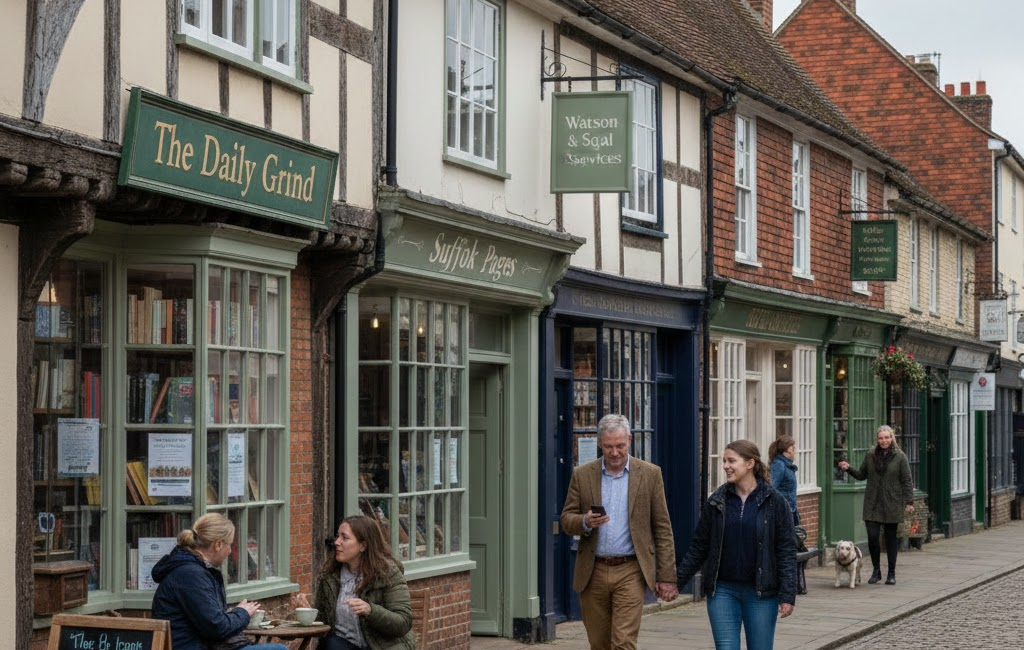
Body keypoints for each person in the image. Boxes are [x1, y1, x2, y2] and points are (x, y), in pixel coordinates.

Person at [559, 414, 677, 650]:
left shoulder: (650, 474)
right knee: (599, 643)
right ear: (600, 443)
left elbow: (662, 527)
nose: (614, 453)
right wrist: (584, 521)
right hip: (593, 571)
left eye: (620, 446)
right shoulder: (583, 475)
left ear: (630, 441)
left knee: (623, 642)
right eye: (609, 446)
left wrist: (667, 576)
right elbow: (566, 520)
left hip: (631, 569)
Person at [676, 440, 796, 650]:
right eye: (724, 461)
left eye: (732, 461)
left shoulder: (775, 502)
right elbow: (699, 546)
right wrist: (676, 582)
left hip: (761, 593)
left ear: (750, 464)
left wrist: (787, 594)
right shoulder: (717, 501)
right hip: (722, 591)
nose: (725, 466)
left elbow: (786, 551)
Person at [152, 513, 287, 650]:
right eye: (229, 544)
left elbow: (208, 620)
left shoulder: (193, 571)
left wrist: (229, 615)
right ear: (218, 545)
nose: (229, 551)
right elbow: (216, 628)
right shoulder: (190, 574)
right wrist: (242, 612)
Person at [292, 515, 416, 650]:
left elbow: (403, 622)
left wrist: (371, 611)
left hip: (381, 646)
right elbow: (324, 624)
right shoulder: (330, 576)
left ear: (363, 546)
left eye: (344, 538)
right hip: (342, 646)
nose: (337, 542)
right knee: (331, 643)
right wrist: (308, 613)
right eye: (337, 536)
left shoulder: (387, 574)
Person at [837, 424, 914, 585]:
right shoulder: (871, 455)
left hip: (892, 501)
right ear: (877, 439)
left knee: (890, 538)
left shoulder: (900, 456)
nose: (884, 441)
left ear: (892, 438)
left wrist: (909, 501)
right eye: (881, 438)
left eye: (887, 437)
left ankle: (891, 573)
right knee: (873, 538)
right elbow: (861, 475)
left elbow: (906, 480)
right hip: (872, 502)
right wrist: (848, 468)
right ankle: (876, 571)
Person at [768, 435, 800, 526]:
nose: (795, 450)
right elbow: (771, 487)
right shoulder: (779, 464)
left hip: (790, 509)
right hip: (782, 511)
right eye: (793, 447)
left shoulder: (786, 464)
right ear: (788, 449)